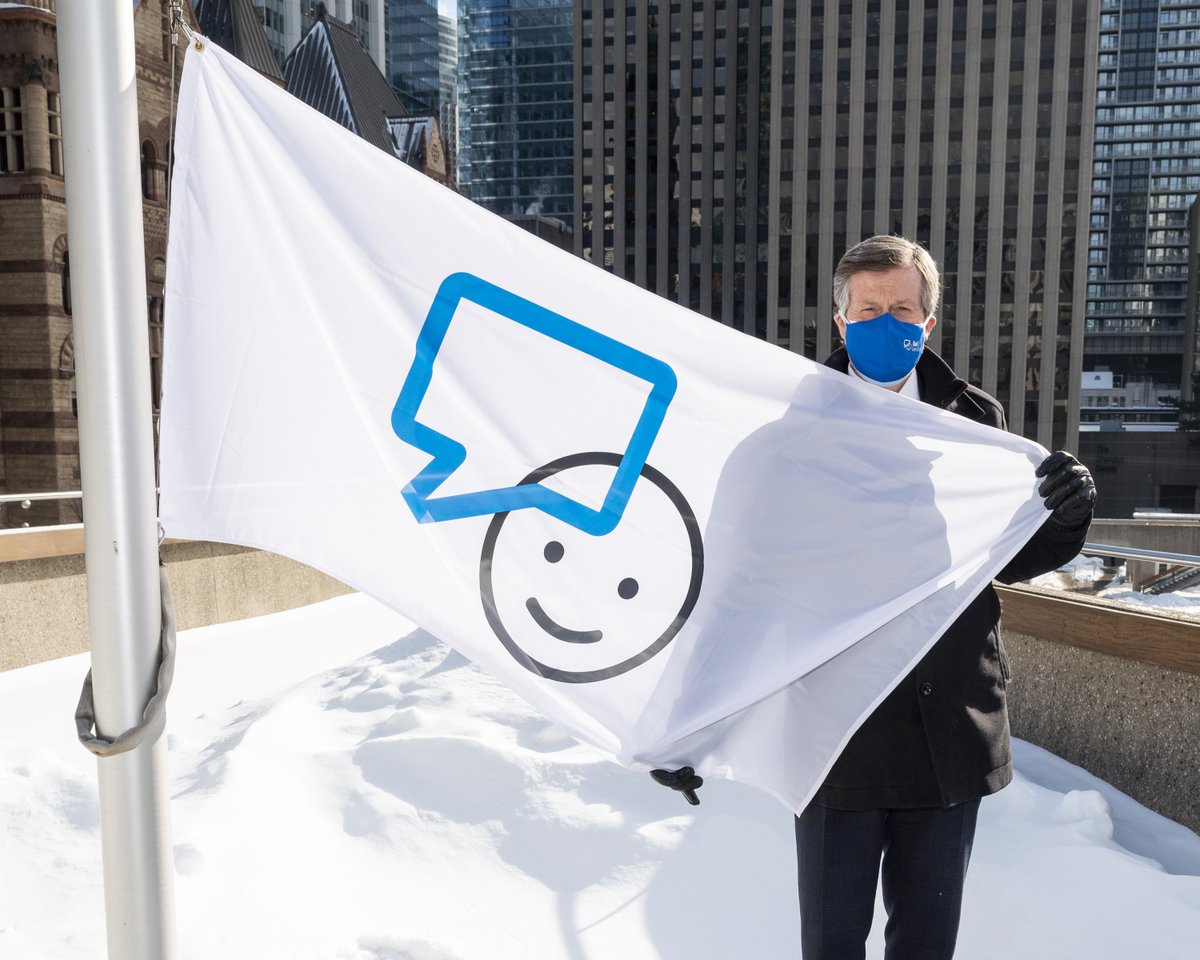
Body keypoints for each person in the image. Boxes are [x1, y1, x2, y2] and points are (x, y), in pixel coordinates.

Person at [653, 235, 1096, 960]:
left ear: (928, 321)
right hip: (838, 734)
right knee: (832, 944)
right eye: (868, 309)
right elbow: (743, 594)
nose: (885, 323)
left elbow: (1007, 556)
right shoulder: (792, 438)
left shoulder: (973, 420)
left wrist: (1069, 511)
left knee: (927, 944)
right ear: (839, 321)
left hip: (947, 726)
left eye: (902, 309)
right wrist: (689, 724)